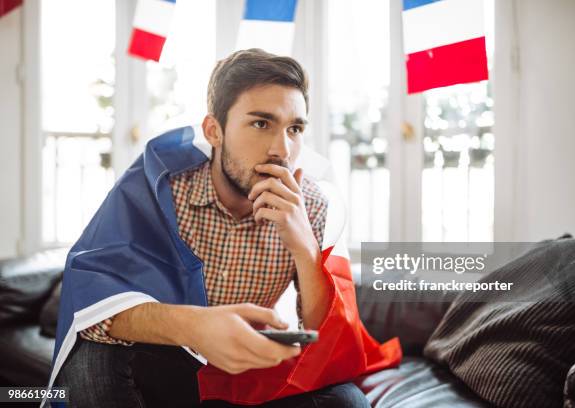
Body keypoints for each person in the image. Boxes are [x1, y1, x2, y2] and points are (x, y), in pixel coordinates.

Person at [54, 49, 371, 407]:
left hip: (240, 378)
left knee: (347, 401)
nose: (281, 149)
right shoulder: (162, 190)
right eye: (261, 123)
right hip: (168, 364)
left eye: (294, 128)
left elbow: (324, 344)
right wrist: (196, 326)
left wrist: (305, 248)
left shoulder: (310, 206)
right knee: (93, 356)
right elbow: (92, 310)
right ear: (214, 131)